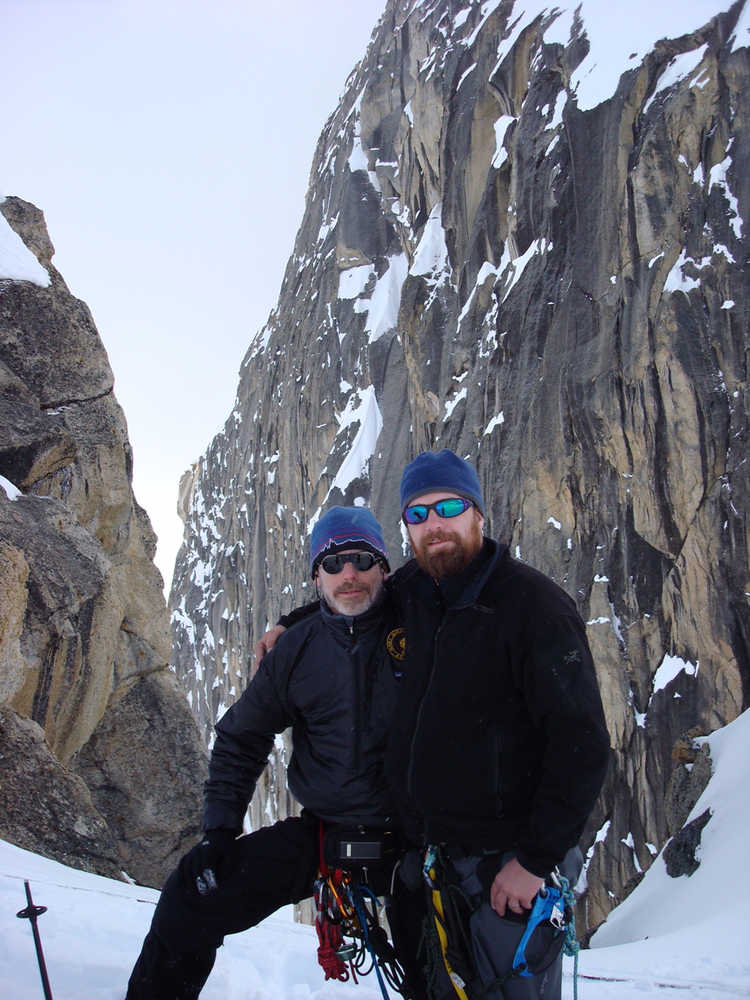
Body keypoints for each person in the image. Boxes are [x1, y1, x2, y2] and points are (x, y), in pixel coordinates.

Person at [261, 450, 610, 1000]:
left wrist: (535, 861)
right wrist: (290, 625)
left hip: (504, 871)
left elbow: (583, 746)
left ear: (477, 513)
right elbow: (359, 597)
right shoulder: (418, 592)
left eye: (448, 507)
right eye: (418, 515)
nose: (434, 525)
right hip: (426, 865)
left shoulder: (534, 608)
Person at [126, 506, 407, 999]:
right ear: (316, 576)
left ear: (384, 568)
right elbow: (242, 738)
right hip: (326, 837)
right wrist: (219, 833)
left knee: (442, 963)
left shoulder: (422, 628)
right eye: (334, 562)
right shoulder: (297, 652)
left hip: (415, 835)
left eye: (363, 560)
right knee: (193, 895)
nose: (349, 574)